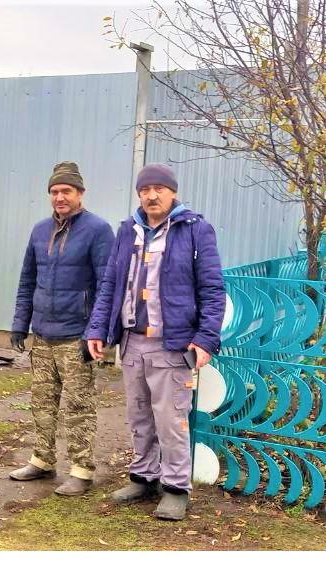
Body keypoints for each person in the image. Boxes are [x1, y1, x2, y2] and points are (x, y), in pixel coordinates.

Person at [85, 163, 225, 521]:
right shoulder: (127, 232)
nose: (151, 195)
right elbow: (110, 286)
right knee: (138, 416)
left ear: (172, 192)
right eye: (145, 190)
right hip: (132, 343)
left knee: (171, 419)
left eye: (159, 189)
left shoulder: (195, 230)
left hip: (172, 345)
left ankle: (176, 487)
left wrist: (206, 339)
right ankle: (143, 477)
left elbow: (212, 289)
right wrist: (97, 329)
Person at [8, 161, 115, 496]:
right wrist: (19, 323)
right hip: (42, 334)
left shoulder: (98, 230)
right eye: (54, 192)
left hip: (76, 336)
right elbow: (28, 280)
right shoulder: (40, 230)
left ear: (80, 193)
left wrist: (96, 332)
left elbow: (106, 286)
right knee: (42, 401)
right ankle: (42, 459)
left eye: (66, 191)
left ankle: (82, 469)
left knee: (79, 406)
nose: (59, 197)